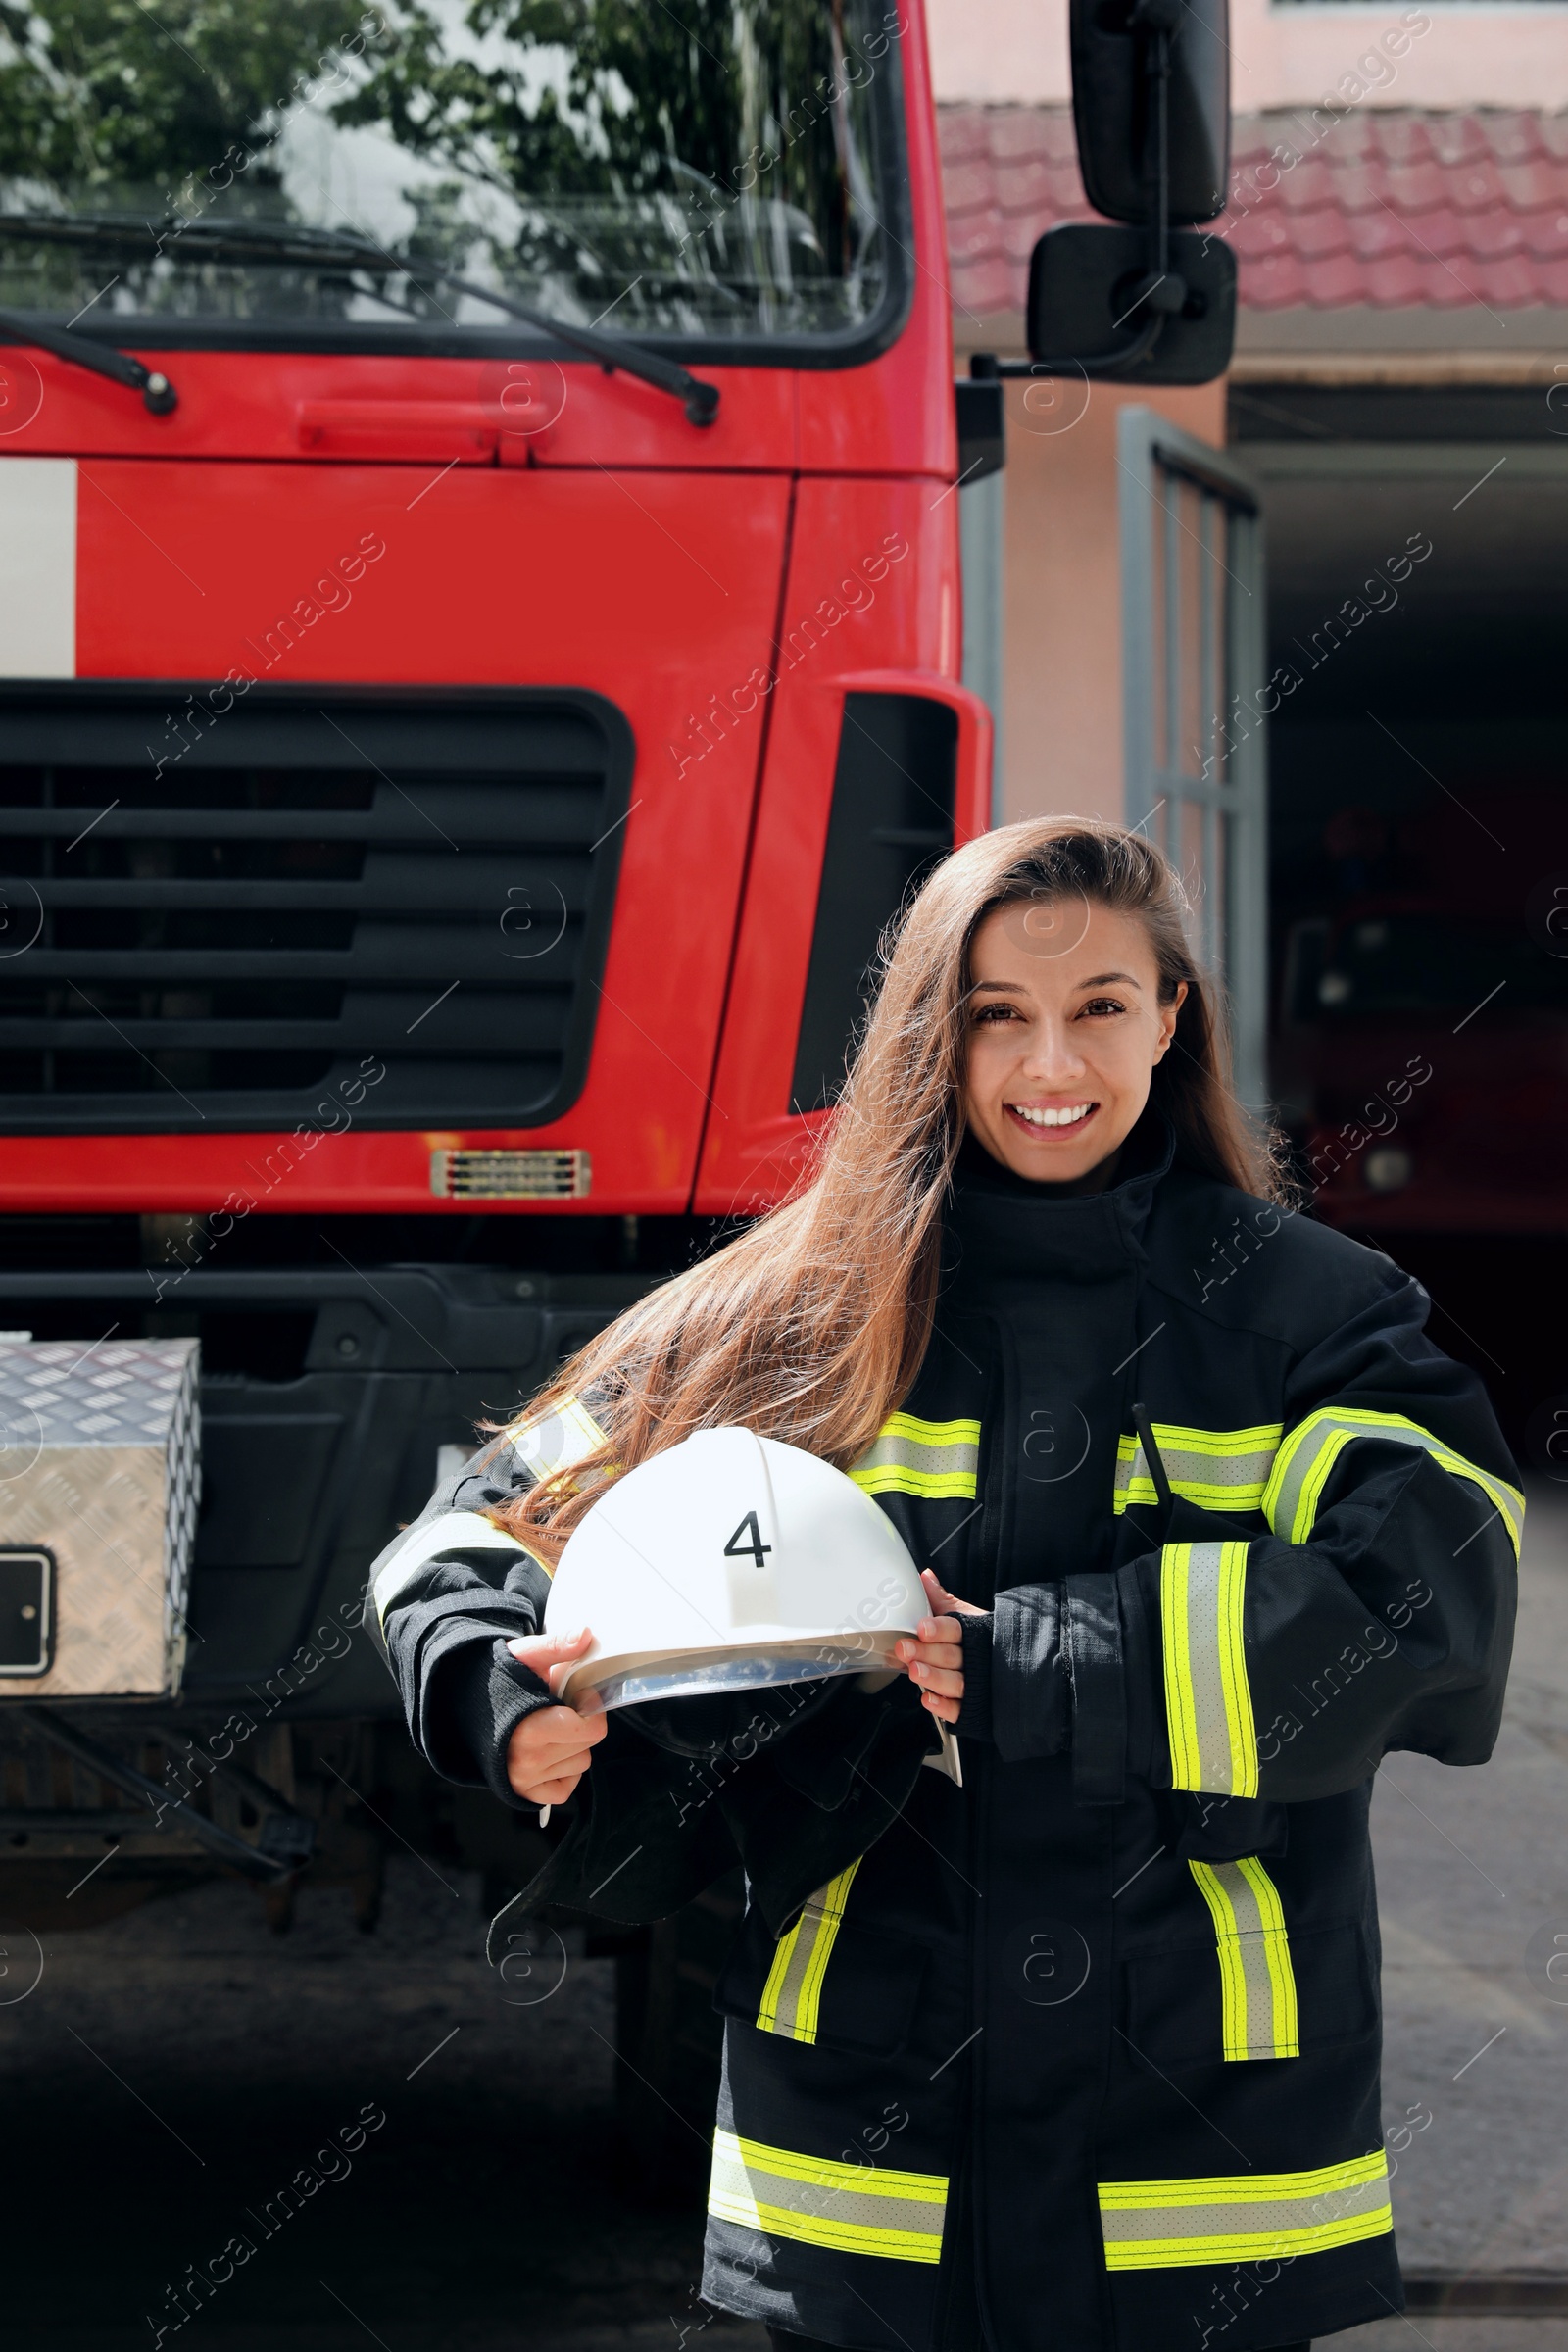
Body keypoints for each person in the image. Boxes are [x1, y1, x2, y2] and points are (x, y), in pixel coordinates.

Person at [366, 817, 1519, 2352]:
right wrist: (491, 1681)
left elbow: (1444, 1596)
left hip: (1198, 2173)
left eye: (1102, 1005)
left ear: (1170, 1018)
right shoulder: (789, 1321)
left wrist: (1060, 1663)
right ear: (935, 1033)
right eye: (999, 1016)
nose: (1055, 1060)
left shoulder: (1304, 1317)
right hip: (867, 2164)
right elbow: (472, 1523)